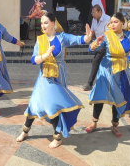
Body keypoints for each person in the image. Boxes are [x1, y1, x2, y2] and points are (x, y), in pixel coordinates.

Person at [16, 12, 92, 148]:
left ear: (53, 23)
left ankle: (57, 137)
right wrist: (44, 56)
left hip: (58, 75)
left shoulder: (62, 38)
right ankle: (25, 131)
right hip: (44, 76)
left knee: (55, 105)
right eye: (42, 23)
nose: (43, 25)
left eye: (46, 22)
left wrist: (87, 38)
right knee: (34, 103)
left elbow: (78, 40)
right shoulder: (40, 40)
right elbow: (33, 60)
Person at [83, 4, 110, 91]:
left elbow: (107, 35)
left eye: (94, 13)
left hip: (106, 44)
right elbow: (93, 31)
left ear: (100, 12)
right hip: (98, 43)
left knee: (95, 61)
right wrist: (88, 36)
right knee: (98, 63)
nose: (93, 15)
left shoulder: (107, 19)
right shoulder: (94, 20)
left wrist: (98, 43)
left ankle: (89, 83)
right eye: (92, 13)